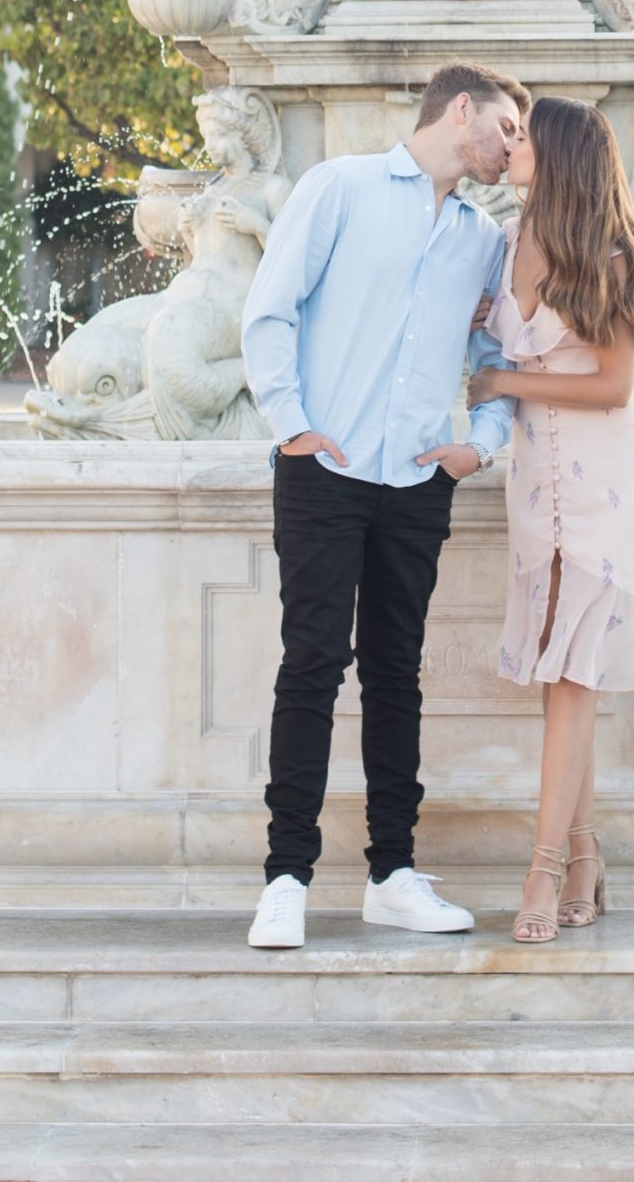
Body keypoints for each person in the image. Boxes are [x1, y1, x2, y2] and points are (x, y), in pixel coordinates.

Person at [240, 63, 528, 950]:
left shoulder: (483, 237)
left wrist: (477, 445)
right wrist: (292, 425)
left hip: (415, 482)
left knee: (397, 674)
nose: (515, 148)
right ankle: (285, 878)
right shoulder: (340, 188)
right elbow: (270, 309)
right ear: (463, 111)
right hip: (324, 468)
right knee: (313, 663)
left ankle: (392, 874)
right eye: (509, 130)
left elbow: (494, 356)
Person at [466, 94, 634, 944]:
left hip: (608, 485)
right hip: (537, 485)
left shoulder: (612, 258)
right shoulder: (503, 243)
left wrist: (506, 384)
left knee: (576, 671)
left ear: (556, 153)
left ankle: (543, 871)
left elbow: (614, 386)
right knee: (560, 671)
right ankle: (584, 852)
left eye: (523, 135)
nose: (511, 143)